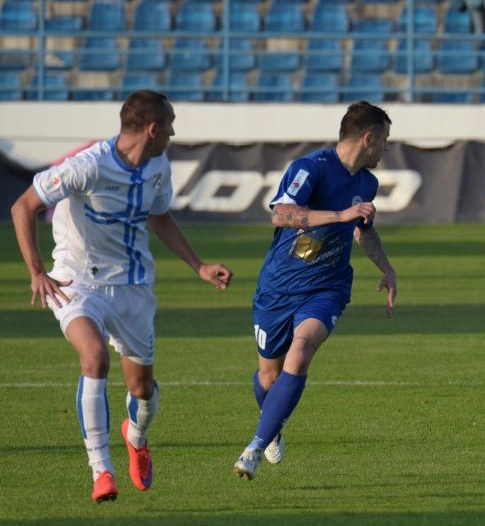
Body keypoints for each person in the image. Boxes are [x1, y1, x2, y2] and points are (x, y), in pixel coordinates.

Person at [10, 90, 233, 503]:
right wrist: (37, 271)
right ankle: (101, 471)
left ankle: (136, 435)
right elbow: (23, 206)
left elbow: (160, 216)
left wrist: (198, 265)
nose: (172, 132)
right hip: (78, 281)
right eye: (169, 125)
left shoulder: (158, 165)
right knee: (94, 357)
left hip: (133, 288)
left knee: (142, 389)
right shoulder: (86, 167)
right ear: (153, 128)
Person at [233, 101, 397, 480]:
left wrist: (386, 268)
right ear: (367, 138)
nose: (387, 149)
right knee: (270, 379)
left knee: (302, 350)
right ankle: (271, 423)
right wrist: (339, 215)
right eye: (384, 140)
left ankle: (254, 448)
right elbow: (281, 214)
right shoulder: (311, 168)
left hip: (329, 285)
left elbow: (363, 230)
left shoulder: (367, 183)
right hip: (279, 287)